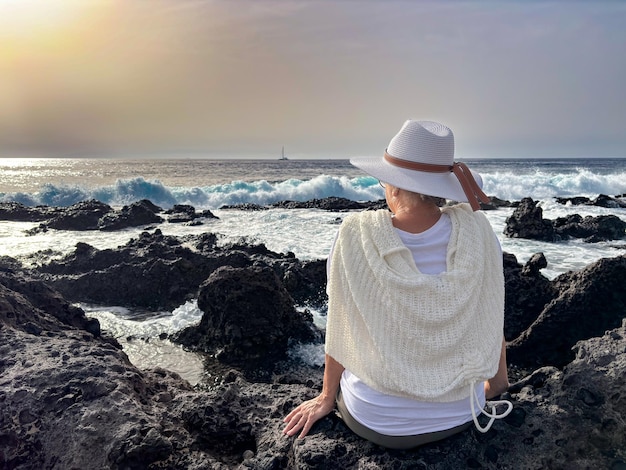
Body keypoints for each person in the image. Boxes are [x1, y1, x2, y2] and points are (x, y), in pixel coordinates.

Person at [283, 120, 512, 449]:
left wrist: (325, 397)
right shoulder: (478, 232)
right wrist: (497, 383)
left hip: (375, 419)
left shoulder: (355, 234)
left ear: (394, 185)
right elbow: (489, 313)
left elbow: (342, 321)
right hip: (460, 416)